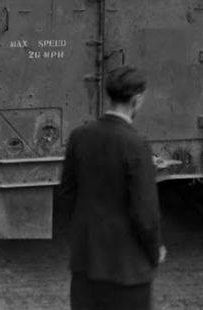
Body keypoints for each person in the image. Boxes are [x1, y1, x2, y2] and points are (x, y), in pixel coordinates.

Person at [60, 65, 165, 310]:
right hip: (128, 271)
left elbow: (66, 195)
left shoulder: (80, 136)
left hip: (86, 265)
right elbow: (145, 213)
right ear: (137, 99)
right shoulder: (136, 145)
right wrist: (154, 250)